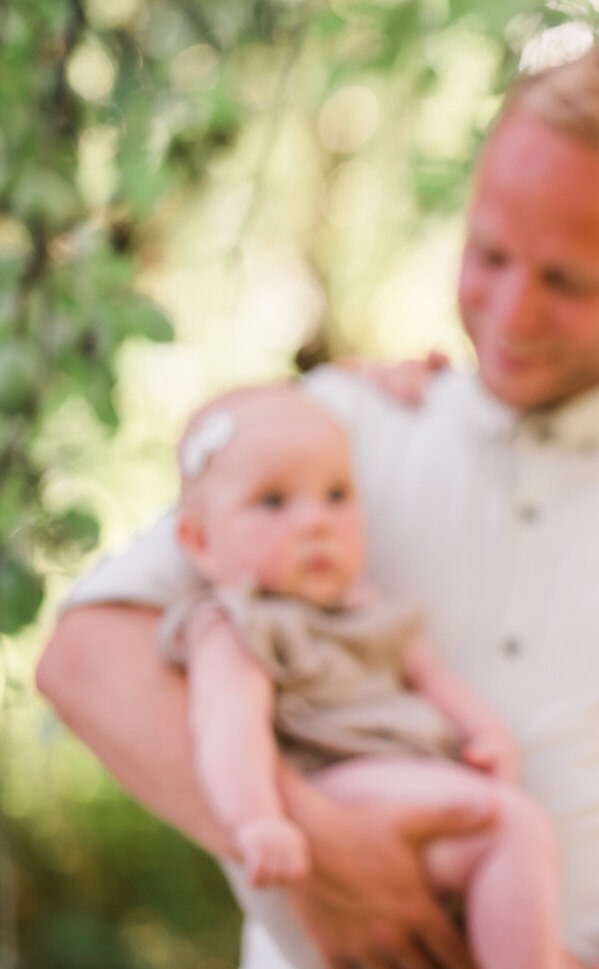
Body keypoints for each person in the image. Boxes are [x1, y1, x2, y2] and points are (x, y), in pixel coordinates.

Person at [36, 45, 599, 969]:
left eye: (567, 281)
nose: (511, 310)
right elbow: (85, 658)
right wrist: (315, 856)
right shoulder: (337, 431)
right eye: (491, 254)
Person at [165, 385, 566, 969]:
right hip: (336, 784)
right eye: (273, 502)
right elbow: (227, 725)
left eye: (336, 496)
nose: (315, 523)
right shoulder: (238, 626)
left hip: (406, 783)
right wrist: (256, 817)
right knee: (514, 827)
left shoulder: (367, 608)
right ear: (200, 541)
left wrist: (487, 734)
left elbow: (431, 679)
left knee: (503, 851)